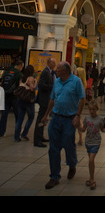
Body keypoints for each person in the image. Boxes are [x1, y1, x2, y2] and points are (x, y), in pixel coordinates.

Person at [41, 61, 85, 189]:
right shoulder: (57, 81)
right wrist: (46, 114)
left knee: (68, 144)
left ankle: (72, 164)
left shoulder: (76, 81)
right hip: (56, 118)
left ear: (65, 70)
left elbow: (82, 98)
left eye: (58, 69)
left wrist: (77, 115)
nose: (56, 70)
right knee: (53, 148)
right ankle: (54, 176)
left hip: (69, 119)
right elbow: (52, 99)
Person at [78, 100, 104, 190]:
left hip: (96, 142)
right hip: (88, 142)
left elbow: (102, 129)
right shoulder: (87, 118)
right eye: (90, 109)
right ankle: (91, 177)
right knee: (91, 161)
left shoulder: (100, 119)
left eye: (93, 109)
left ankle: (92, 179)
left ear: (97, 109)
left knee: (91, 160)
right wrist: (78, 125)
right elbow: (83, 129)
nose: (92, 111)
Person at [33, 58, 56, 147]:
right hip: (44, 99)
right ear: (49, 63)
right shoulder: (45, 72)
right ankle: (37, 139)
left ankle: (40, 136)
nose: (55, 64)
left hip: (46, 99)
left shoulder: (50, 72)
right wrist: (52, 87)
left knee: (43, 118)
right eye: (53, 63)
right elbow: (41, 84)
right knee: (41, 118)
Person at [0, 60, 23, 138]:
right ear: (20, 66)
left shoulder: (7, 72)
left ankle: (1, 132)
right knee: (18, 114)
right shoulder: (19, 74)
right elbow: (20, 85)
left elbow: (2, 82)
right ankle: (18, 130)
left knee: (4, 114)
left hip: (6, 95)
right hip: (15, 97)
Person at [14, 65, 37, 142]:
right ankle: (24, 134)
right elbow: (32, 88)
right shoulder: (30, 78)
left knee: (20, 119)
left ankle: (16, 136)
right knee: (31, 117)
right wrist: (36, 82)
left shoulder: (22, 77)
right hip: (28, 100)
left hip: (20, 99)